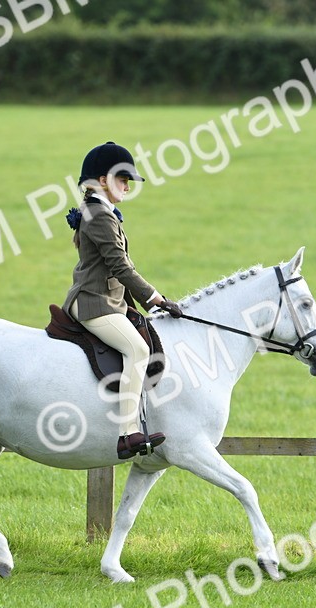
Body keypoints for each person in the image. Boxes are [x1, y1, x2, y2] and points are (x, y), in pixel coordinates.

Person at [62, 141, 183, 460]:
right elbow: (119, 265)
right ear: (102, 180)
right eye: (122, 179)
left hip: (107, 299)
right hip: (93, 301)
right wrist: (155, 298)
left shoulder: (100, 211)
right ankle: (127, 433)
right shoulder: (99, 214)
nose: (127, 186)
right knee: (138, 349)